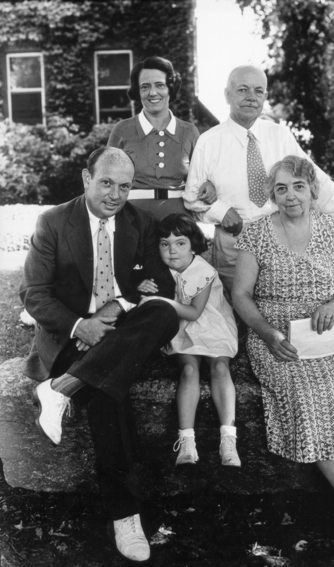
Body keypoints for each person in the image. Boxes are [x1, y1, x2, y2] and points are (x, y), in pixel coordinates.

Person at [19, 147, 179, 563]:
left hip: (119, 330)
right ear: (86, 178)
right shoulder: (54, 222)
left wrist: (115, 308)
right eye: (106, 183)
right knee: (110, 393)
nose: (115, 195)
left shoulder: (140, 222)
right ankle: (126, 516)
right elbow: (34, 294)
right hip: (69, 333)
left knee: (162, 313)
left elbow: (159, 284)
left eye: (125, 186)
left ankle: (62, 389)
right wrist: (80, 326)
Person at [231, 156, 334, 551]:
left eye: (298, 186)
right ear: (272, 194)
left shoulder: (333, 228)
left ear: (312, 189)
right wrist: (267, 333)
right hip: (278, 337)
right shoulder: (256, 234)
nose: (290, 196)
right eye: (281, 188)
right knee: (305, 396)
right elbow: (240, 295)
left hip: (329, 334)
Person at [183, 65, 334, 300]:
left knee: (280, 311)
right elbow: (191, 196)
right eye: (242, 90)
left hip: (280, 239)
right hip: (235, 242)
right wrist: (222, 210)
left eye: (259, 91)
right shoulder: (208, 141)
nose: (251, 97)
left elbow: (314, 178)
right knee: (241, 315)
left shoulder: (279, 135)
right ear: (227, 94)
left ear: (265, 97)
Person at [137, 214, 240, 467]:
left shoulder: (203, 270)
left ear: (193, 245)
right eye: (164, 244)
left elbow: (195, 312)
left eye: (180, 243)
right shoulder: (160, 270)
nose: (172, 251)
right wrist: (143, 288)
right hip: (182, 327)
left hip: (212, 323)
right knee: (188, 369)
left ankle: (228, 438)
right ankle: (187, 441)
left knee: (219, 367)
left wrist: (159, 301)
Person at [107, 55, 211, 206]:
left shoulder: (189, 131)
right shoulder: (122, 130)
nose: (152, 92)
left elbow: (202, 181)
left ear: (170, 88)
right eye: (145, 87)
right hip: (132, 218)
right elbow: (107, 180)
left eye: (160, 85)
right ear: (138, 91)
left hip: (179, 218)